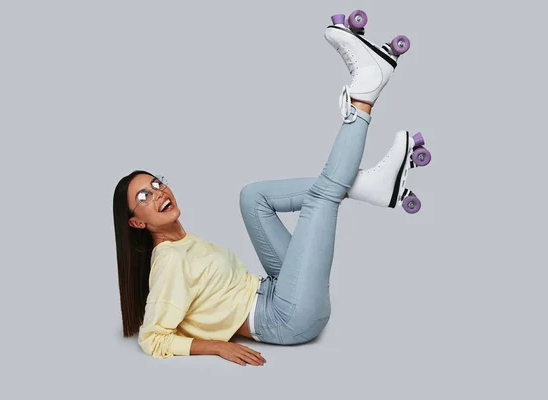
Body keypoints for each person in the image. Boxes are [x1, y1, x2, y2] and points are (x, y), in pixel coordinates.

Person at [113, 14, 426, 365]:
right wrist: (215, 346)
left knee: (252, 197)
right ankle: (365, 94)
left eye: (156, 183)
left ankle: (364, 187)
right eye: (144, 197)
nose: (157, 193)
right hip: (287, 318)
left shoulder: (181, 241)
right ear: (136, 223)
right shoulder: (168, 262)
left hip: (275, 290)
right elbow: (152, 338)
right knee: (321, 198)